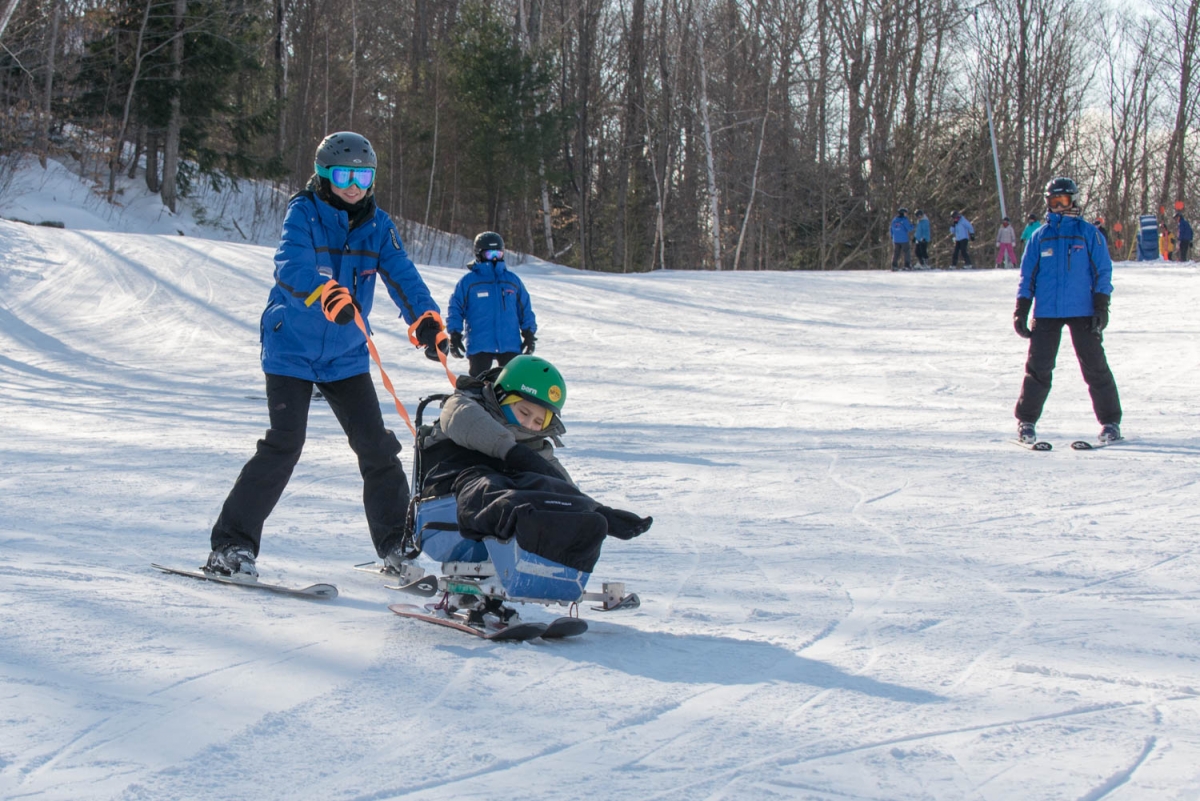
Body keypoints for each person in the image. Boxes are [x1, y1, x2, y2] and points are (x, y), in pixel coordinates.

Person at [206, 131, 447, 578]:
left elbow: (404, 277)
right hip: (291, 348)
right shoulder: (304, 211)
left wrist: (426, 321)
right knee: (284, 444)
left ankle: (396, 545)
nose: (354, 185)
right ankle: (230, 547)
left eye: (363, 175)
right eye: (344, 174)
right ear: (324, 174)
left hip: (345, 353)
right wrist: (323, 292)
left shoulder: (379, 225)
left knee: (377, 449)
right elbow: (290, 264)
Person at [417, 355, 652, 581]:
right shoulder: (463, 405)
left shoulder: (536, 447)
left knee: (547, 491)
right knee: (494, 484)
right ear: (500, 395)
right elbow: (466, 421)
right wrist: (515, 453)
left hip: (499, 514)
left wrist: (599, 512)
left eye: (539, 421)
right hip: (447, 508)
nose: (529, 425)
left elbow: (560, 483)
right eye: (524, 412)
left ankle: (561, 575)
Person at [1013, 177, 1121, 445]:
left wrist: (1101, 305)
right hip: (1047, 311)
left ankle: (1110, 423)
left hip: (1082, 310)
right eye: (1053, 202)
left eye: (1063, 201)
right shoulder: (1039, 237)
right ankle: (1026, 421)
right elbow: (1028, 276)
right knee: (1038, 367)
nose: (1058, 207)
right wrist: (1021, 309)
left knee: (1095, 366)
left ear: (1073, 201)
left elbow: (1103, 271)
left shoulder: (1088, 234)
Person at [446, 232, 538, 377]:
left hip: (510, 343)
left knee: (512, 383)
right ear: (479, 254)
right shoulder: (469, 282)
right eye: (490, 254)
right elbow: (455, 308)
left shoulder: (512, 280)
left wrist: (529, 334)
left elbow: (525, 308)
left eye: (498, 254)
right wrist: (455, 334)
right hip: (480, 342)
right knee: (479, 384)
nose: (495, 258)